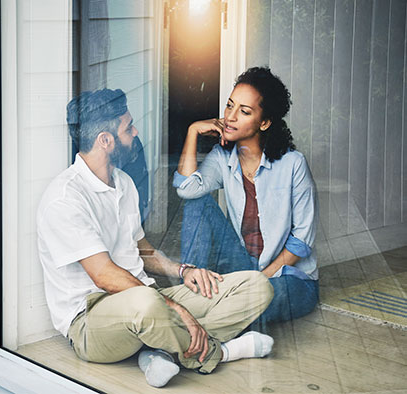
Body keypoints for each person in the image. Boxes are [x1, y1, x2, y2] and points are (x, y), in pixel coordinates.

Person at [37, 88, 274, 388]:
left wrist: (184, 271)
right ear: (105, 141)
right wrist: (175, 308)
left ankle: (159, 350)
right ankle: (220, 353)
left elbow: (142, 251)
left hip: (146, 297)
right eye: (128, 127)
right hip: (91, 320)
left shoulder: (123, 183)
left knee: (257, 287)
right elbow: (104, 277)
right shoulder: (65, 199)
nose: (136, 132)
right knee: (148, 304)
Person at [173, 67, 319, 330]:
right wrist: (193, 131)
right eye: (230, 106)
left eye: (244, 111)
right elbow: (186, 189)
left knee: (261, 300)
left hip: (287, 278)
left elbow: (302, 241)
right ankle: (193, 287)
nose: (229, 117)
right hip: (242, 265)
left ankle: (197, 326)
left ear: (264, 122)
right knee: (198, 203)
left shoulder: (293, 164)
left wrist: (259, 280)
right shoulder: (223, 158)